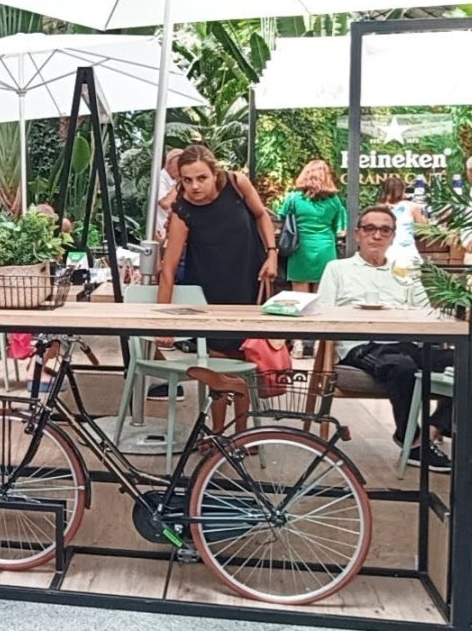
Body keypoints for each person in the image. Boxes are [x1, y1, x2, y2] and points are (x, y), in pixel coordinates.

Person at [318, 206, 451, 471]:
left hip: (405, 342)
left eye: (384, 230)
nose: (376, 236)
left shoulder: (404, 272)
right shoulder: (338, 269)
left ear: (393, 236)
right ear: (357, 234)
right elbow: (322, 313)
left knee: (469, 361)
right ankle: (412, 441)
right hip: (361, 345)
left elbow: (426, 313)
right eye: (370, 229)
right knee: (402, 367)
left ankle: (437, 425)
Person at [158, 144, 278, 355]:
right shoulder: (182, 212)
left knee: (255, 356)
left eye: (201, 178)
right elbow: (168, 269)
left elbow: (261, 215)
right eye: (187, 180)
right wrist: (163, 324)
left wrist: (272, 253)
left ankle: (235, 387)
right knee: (218, 357)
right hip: (210, 294)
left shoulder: (236, 183)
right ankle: (227, 387)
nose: (194, 186)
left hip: (249, 281)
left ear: (215, 174)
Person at [279, 159, 347, 293]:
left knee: (299, 298)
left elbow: (282, 219)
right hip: (325, 249)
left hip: (299, 250)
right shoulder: (334, 201)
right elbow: (339, 229)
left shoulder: (294, 198)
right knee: (322, 297)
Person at [380, 176, 427, 265]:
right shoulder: (412, 207)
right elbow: (423, 229)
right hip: (407, 252)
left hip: (384, 251)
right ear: (401, 191)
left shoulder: (378, 209)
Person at [154, 148, 184, 242]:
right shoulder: (159, 178)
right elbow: (165, 203)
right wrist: (180, 184)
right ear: (170, 163)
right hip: (161, 234)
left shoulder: (173, 180)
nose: (182, 169)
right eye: (180, 165)